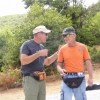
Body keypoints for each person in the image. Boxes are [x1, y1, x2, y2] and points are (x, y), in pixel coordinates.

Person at [20, 25, 59, 100]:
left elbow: (47, 62)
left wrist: (58, 53)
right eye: (45, 34)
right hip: (30, 78)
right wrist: (38, 54)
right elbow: (23, 61)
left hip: (41, 78)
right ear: (39, 34)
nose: (47, 36)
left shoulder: (41, 47)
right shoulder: (26, 45)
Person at [57, 27, 93, 100]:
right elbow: (59, 64)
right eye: (64, 36)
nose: (65, 38)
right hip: (66, 78)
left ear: (74, 35)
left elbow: (88, 63)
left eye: (67, 35)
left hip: (80, 77)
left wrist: (91, 77)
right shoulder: (62, 49)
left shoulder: (82, 47)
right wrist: (60, 70)